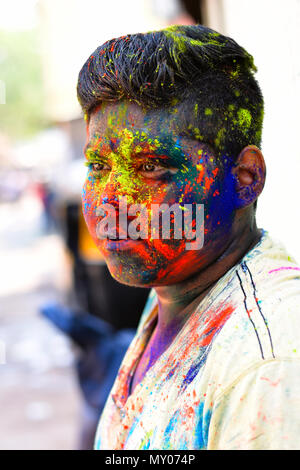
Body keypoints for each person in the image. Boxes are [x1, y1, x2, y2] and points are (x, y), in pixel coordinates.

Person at [76, 25, 300, 450]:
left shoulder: (266, 367)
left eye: (149, 167)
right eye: (98, 167)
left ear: (246, 178)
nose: (109, 200)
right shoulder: (176, 282)